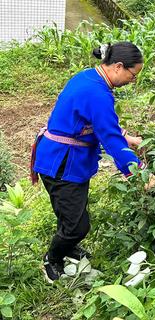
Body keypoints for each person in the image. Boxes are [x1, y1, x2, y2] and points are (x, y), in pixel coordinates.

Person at [31, 42, 145, 282]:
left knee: (73, 212)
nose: (131, 81)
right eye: (132, 76)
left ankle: (68, 246)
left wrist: (127, 137)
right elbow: (110, 137)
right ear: (118, 67)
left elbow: (95, 122)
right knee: (77, 226)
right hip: (61, 163)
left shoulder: (89, 78)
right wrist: (139, 172)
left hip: (63, 157)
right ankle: (51, 259)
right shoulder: (97, 93)